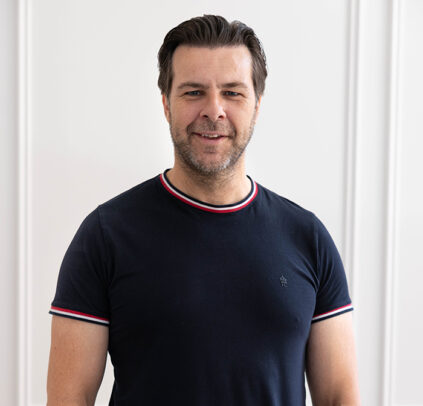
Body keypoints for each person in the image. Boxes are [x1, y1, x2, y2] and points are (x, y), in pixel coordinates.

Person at [47, 14, 360, 406]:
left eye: (232, 92)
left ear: (257, 105)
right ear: (166, 104)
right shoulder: (105, 236)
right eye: (194, 92)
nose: (214, 110)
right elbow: (68, 399)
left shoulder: (307, 238)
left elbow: (339, 396)